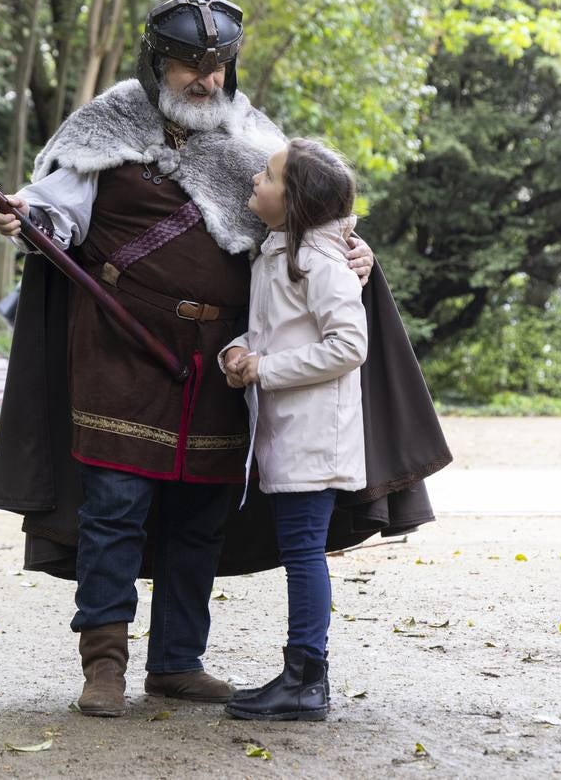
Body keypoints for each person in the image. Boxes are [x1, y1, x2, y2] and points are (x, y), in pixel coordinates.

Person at [0, 0, 449, 719]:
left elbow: (310, 210)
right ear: (155, 62)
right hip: (118, 350)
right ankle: (103, 666)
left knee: (199, 512)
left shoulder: (255, 136)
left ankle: (176, 662)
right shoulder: (103, 125)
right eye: (188, 66)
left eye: (217, 65)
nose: (205, 80)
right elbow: (54, 212)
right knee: (114, 509)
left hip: (223, 356)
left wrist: (349, 252)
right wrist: (24, 216)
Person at [219, 139, 367, 722]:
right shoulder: (279, 254)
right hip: (288, 432)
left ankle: (306, 681)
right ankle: (301, 678)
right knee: (299, 550)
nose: (256, 180)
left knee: (305, 553)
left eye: (269, 174)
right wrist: (240, 353)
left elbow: (349, 345)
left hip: (315, 437)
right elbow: (271, 332)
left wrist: (267, 370)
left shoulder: (321, 263)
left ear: (295, 199)